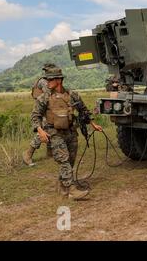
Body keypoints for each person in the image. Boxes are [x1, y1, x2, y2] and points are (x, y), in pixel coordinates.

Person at [31, 66, 103, 200]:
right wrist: (40, 131)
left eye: (50, 79)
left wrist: (93, 124)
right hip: (54, 133)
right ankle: (71, 190)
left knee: (70, 161)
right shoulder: (44, 97)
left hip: (71, 132)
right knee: (64, 160)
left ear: (58, 80)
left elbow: (83, 111)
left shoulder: (72, 95)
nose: (47, 82)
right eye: (47, 79)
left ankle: (62, 186)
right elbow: (35, 116)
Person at [22, 63, 56, 166]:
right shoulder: (44, 81)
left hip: (47, 109)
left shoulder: (46, 80)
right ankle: (28, 154)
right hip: (42, 111)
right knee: (43, 131)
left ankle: (50, 153)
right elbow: (49, 94)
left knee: (51, 128)